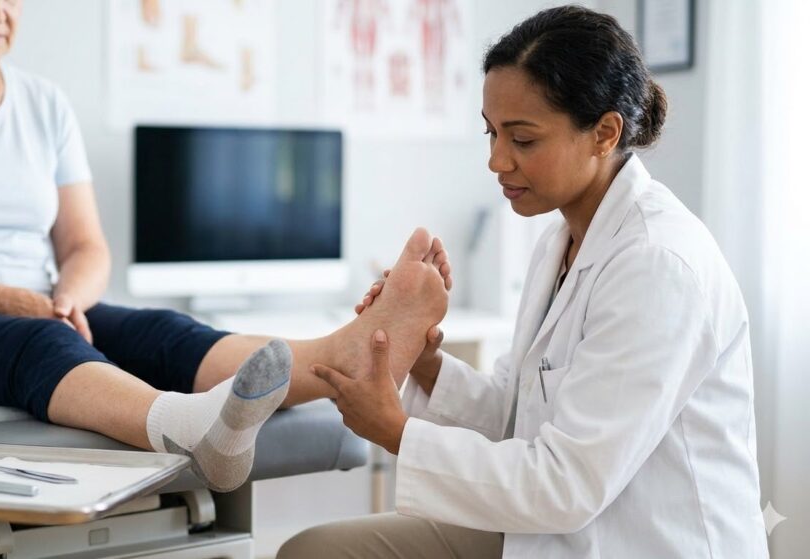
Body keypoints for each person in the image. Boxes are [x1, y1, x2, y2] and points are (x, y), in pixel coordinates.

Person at [0, 0, 452, 493]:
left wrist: (66, 296)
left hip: (32, 306)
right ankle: (189, 428)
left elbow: (87, 245)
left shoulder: (42, 102)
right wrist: (18, 303)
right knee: (38, 342)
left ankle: (349, 354)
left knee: (160, 332)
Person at [281, 6, 768, 558]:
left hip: (639, 540)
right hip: (559, 528)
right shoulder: (561, 239)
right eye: (491, 133)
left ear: (604, 134)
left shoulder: (658, 265)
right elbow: (519, 415)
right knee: (316, 550)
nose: (495, 160)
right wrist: (424, 361)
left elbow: (566, 484)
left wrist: (396, 432)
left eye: (523, 140)